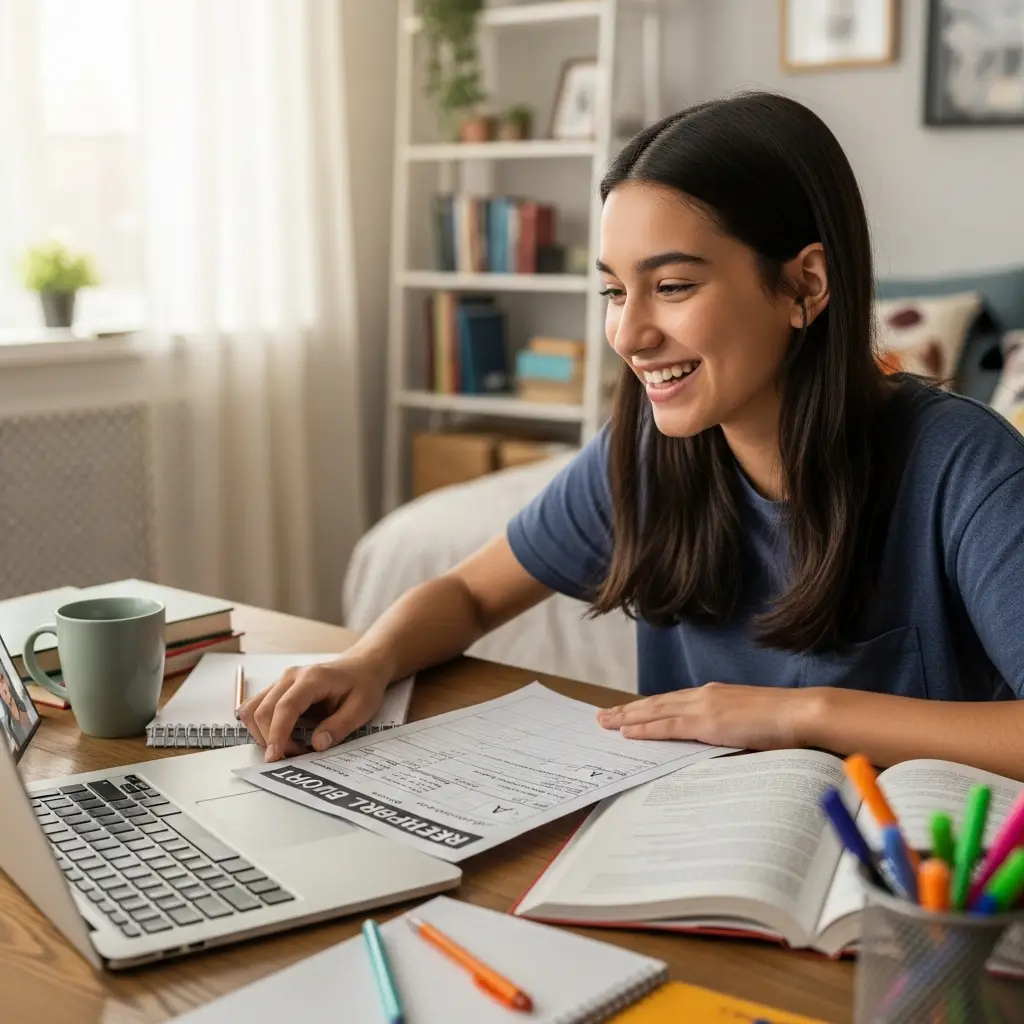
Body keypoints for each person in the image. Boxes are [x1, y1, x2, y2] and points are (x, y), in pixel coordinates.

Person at [239, 92, 1024, 782]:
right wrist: (367, 659)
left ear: (804, 285)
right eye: (615, 291)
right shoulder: (651, 453)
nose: (630, 333)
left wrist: (802, 713)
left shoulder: (965, 465)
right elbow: (473, 592)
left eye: (674, 287)